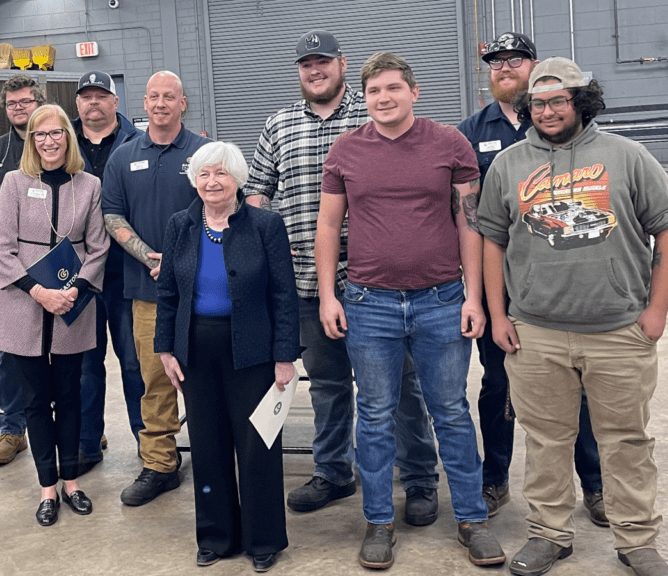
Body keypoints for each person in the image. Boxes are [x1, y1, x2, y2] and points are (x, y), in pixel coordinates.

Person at [478, 57, 668, 576]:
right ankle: (549, 534)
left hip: (618, 330)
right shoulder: (508, 164)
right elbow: (492, 243)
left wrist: (656, 311)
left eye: (559, 101)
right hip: (536, 333)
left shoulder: (627, 155)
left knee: (627, 442)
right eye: (538, 103)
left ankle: (636, 540)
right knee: (546, 440)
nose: (547, 111)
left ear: (580, 102)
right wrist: (498, 315)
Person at [243, 29, 440, 524]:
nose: (315, 70)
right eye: (306, 63)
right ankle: (334, 472)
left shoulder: (372, 112)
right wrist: (267, 239)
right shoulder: (279, 124)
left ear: (342, 65)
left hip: (382, 284)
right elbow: (256, 193)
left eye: (324, 62)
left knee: (400, 387)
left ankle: (418, 477)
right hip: (309, 282)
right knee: (328, 385)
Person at [316, 52, 503, 569]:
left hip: (441, 301)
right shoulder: (346, 151)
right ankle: (378, 522)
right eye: (374, 91)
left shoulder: (450, 144)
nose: (384, 99)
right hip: (368, 304)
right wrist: (330, 296)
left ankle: (471, 518)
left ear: (414, 92)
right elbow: (329, 226)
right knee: (374, 417)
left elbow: (470, 222)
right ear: (365, 97)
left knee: (451, 413)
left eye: (394, 88)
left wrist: (472, 296)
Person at [456, 32, 606, 523]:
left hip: (568, 288)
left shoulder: (570, 125)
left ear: (536, 67)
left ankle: (595, 485)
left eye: (513, 60)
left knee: (577, 390)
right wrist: (477, 298)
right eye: (494, 63)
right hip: (506, 293)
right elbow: (471, 225)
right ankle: (495, 478)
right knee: (498, 387)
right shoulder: (469, 133)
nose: (503, 68)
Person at [155, 141, 299, 573]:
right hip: (197, 349)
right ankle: (217, 535)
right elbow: (167, 294)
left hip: (253, 350)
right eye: (204, 174)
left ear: (237, 178)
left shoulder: (266, 225)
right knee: (207, 444)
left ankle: (263, 539)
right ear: (194, 180)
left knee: (258, 446)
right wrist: (165, 347)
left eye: (221, 174)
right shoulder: (180, 225)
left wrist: (285, 355)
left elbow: (284, 296)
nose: (212, 182)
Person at [0, 104, 109, 526]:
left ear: (68, 137)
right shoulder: (14, 183)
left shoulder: (89, 185)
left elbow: (98, 248)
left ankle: (72, 481)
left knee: (71, 396)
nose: (48, 141)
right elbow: (1, 247)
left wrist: (73, 291)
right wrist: (38, 291)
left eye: (56, 133)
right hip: (24, 305)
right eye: (40, 135)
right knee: (36, 401)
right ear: (31, 141)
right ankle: (46, 488)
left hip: (71, 306)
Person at [102, 71, 209, 506]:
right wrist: (150, 257)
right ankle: (160, 464)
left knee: (205, 375)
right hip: (147, 291)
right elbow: (113, 216)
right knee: (154, 379)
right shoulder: (123, 157)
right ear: (143, 104)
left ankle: (213, 454)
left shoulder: (205, 151)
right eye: (154, 97)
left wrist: (185, 261)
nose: (162, 103)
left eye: (171, 96)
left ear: (183, 103)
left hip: (205, 289)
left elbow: (224, 207)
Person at [71, 71, 143, 473]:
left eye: (101, 96)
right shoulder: (63, 144)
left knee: (135, 364)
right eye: (86, 97)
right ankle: (87, 446)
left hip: (125, 274)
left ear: (115, 102)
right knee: (84, 367)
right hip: (79, 278)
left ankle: (148, 444)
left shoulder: (137, 143)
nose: (93, 103)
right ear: (77, 104)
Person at [0, 74, 45, 467]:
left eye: (25, 101)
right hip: (10, 268)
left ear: (39, 101)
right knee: (9, 353)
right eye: (12, 104)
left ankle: (79, 422)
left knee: (63, 352)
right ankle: (12, 429)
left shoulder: (58, 140)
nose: (19, 108)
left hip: (57, 266)